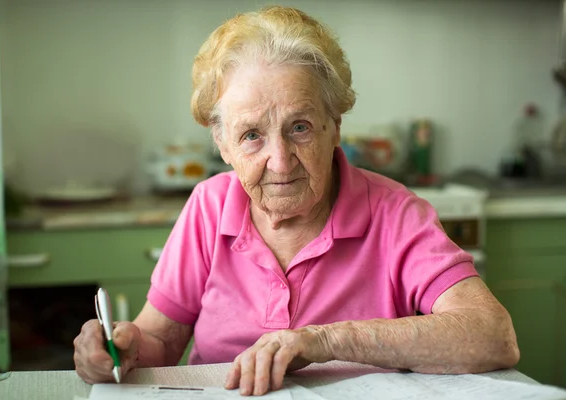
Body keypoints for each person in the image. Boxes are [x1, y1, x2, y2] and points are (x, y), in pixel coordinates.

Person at [73, 5, 519, 396]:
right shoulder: (209, 206)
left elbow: (493, 336)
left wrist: (321, 341)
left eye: (300, 127)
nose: (281, 162)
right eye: (251, 136)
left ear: (335, 126)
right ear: (223, 146)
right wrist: (123, 348)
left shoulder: (396, 213)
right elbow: (159, 341)